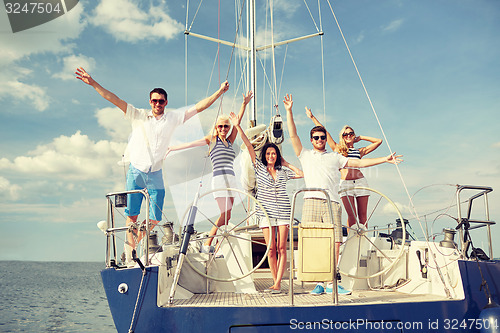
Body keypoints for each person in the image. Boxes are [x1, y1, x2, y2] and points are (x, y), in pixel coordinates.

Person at [75, 67, 229, 263]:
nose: (158, 103)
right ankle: (130, 255)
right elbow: (113, 99)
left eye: (161, 101)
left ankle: (134, 245)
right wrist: (94, 83)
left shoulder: (172, 118)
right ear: (150, 102)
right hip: (136, 171)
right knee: (132, 217)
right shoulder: (138, 115)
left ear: (166, 102)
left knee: (155, 218)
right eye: (154, 100)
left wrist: (219, 92)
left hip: (155, 173)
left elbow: (199, 107)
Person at [283, 94, 402, 295]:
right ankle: (319, 282)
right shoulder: (304, 154)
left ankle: (331, 281)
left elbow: (360, 163)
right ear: (311, 140)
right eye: (316, 138)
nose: (320, 140)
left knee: (336, 241)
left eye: (322, 137)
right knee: (313, 241)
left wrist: (384, 159)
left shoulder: (336, 156)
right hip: (311, 201)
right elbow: (293, 135)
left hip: (332, 202)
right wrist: (289, 112)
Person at [230, 95, 303, 294]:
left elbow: (301, 174)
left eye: (274, 154)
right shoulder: (260, 168)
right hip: (265, 213)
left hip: (283, 212)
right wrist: (237, 126)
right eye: (269, 154)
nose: (271, 156)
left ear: (277, 155)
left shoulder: (283, 171)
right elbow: (247, 143)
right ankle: (275, 282)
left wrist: (286, 162)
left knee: (281, 249)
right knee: (270, 249)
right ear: (265, 156)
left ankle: (278, 283)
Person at [165, 91, 251, 253]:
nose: (224, 128)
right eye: (221, 126)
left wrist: (244, 104)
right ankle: (207, 243)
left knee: (228, 216)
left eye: (226, 126)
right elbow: (191, 144)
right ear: (216, 128)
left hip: (231, 180)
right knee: (223, 214)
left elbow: (237, 121)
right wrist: (172, 148)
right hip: (219, 179)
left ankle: (215, 242)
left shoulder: (230, 140)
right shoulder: (212, 139)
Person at [306, 109, 382, 227]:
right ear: (342, 136)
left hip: (361, 182)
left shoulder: (359, 151)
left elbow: (378, 141)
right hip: (345, 183)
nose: (348, 136)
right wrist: (312, 117)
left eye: (351, 133)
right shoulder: (337, 148)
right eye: (345, 134)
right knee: (352, 216)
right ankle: (351, 241)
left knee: (363, 216)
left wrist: (361, 137)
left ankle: (363, 241)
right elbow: (324, 131)